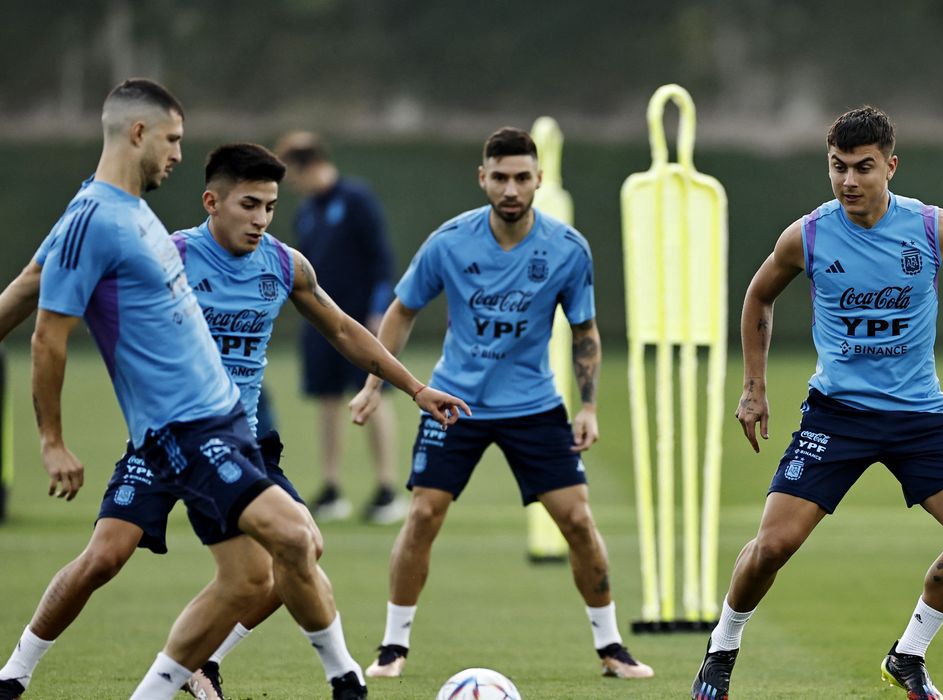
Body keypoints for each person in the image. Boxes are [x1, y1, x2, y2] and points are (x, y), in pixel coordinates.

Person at [0, 140, 469, 700]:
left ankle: (207, 662)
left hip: (240, 443)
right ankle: (14, 674)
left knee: (296, 554)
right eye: (249, 204)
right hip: (163, 439)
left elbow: (343, 329)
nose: (261, 219)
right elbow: (49, 293)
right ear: (211, 202)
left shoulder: (284, 263)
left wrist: (414, 387)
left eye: (270, 206)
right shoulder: (163, 255)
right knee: (104, 558)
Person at [690, 106, 943, 700]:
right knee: (775, 545)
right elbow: (758, 297)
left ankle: (908, 655)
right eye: (838, 168)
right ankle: (722, 647)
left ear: (891, 166)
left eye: (864, 168)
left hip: (919, 416)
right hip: (837, 415)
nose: (849, 182)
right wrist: (753, 388)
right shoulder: (808, 235)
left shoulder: (932, 228)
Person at [348, 127, 653, 681]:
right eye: (501, 177)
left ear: (538, 180)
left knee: (579, 521)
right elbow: (401, 310)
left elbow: (584, 331)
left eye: (522, 178)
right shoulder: (449, 242)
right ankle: (393, 648)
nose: (511, 189)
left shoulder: (567, 249)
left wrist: (588, 407)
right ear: (482, 178)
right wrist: (373, 385)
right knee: (421, 515)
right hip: (453, 403)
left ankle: (611, 648)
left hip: (534, 406)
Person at [275, 131, 402, 524]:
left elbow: (382, 259)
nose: (292, 186)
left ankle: (387, 489)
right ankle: (332, 488)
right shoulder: (307, 210)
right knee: (327, 400)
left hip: (361, 321)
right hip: (319, 322)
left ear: (310, 165)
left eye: (294, 175)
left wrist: (379, 311)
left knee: (372, 395)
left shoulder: (356, 199)